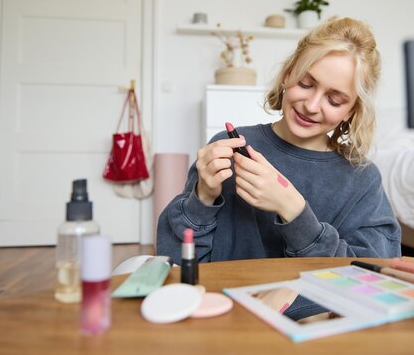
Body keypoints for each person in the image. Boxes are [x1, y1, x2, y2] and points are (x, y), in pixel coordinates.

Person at [156, 16, 401, 264]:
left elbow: (374, 274)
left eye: (334, 100)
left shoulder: (361, 178)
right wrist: (204, 197)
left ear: (351, 110)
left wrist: (294, 211)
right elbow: (176, 260)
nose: (312, 105)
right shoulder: (228, 148)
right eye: (306, 84)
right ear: (287, 74)